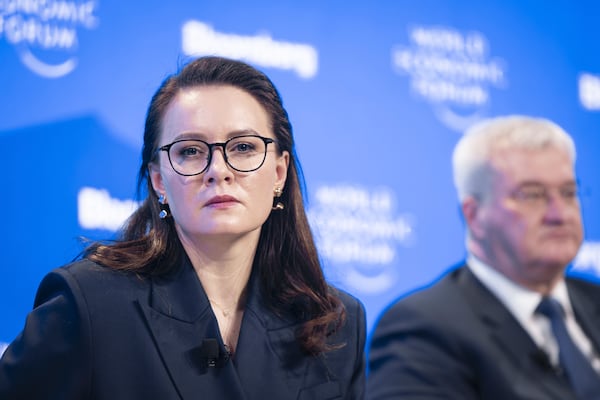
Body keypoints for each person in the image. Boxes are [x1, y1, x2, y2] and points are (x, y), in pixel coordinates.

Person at [0, 56, 366, 399]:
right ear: (159, 180)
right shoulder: (90, 304)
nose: (218, 170)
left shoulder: (333, 322)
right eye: (190, 150)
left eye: (242, 147)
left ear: (279, 173)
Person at [367, 115, 600, 400]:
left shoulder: (593, 298)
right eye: (533, 195)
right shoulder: (423, 328)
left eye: (568, 193)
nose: (559, 214)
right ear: (474, 215)